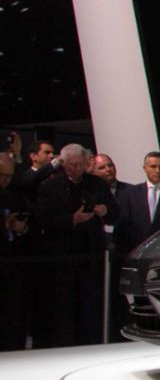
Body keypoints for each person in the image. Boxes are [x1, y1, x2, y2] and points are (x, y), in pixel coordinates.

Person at [34, 144, 116, 346]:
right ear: (63, 164)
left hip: (91, 255)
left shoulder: (97, 184)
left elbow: (116, 212)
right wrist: (72, 219)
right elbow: (43, 219)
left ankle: (92, 343)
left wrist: (105, 211)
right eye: (73, 165)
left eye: (81, 165)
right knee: (64, 308)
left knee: (90, 305)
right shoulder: (49, 187)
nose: (77, 169)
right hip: (63, 258)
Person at [0, 153, 35, 350]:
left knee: (12, 315)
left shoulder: (12, 196)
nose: (5, 180)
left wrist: (21, 228)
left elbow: (29, 224)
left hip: (12, 265)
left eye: (9, 176)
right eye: (1, 175)